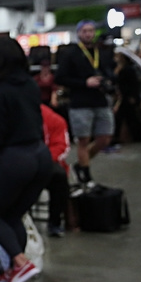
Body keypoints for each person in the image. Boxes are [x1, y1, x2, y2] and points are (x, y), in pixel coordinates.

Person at [0, 37, 52, 282]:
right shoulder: (30, 84)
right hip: (41, 155)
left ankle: (20, 262)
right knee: (12, 215)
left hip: (16, 159)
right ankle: (12, 272)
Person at [55, 19, 115, 185]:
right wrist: (84, 83)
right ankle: (86, 175)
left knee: (105, 138)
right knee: (83, 139)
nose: (88, 34)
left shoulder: (100, 52)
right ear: (79, 33)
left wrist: (107, 80)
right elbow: (60, 78)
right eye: (85, 31)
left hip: (100, 100)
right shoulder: (70, 54)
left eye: (91, 31)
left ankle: (82, 164)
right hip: (80, 102)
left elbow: (109, 70)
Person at [40, 104, 71, 237]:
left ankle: (55, 222)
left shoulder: (54, 120)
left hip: (46, 161)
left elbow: (61, 145)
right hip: (18, 160)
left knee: (59, 176)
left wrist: (43, 160)